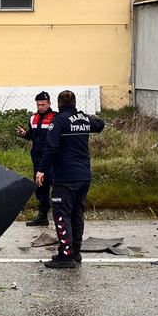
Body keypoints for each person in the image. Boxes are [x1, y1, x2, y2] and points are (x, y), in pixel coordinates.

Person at [35, 90, 105, 269]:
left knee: (61, 214)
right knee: (76, 214)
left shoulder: (57, 121)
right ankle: (75, 251)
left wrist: (41, 170)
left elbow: (51, 147)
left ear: (58, 104)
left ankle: (65, 255)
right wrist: (83, 116)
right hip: (84, 176)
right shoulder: (84, 119)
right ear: (75, 103)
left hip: (65, 177)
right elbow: (100, 125)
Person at [16, 91, 57, 246]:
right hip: (37, 159)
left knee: (57, 187)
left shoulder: (55, 117)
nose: (40, 107)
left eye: (43, 104)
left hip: (52, 160)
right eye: (38, 105)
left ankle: (63, 215)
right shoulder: (33, 118)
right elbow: (33, 136)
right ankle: (43, 216)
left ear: (49, 103)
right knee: (40, 187)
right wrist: (25, 134)